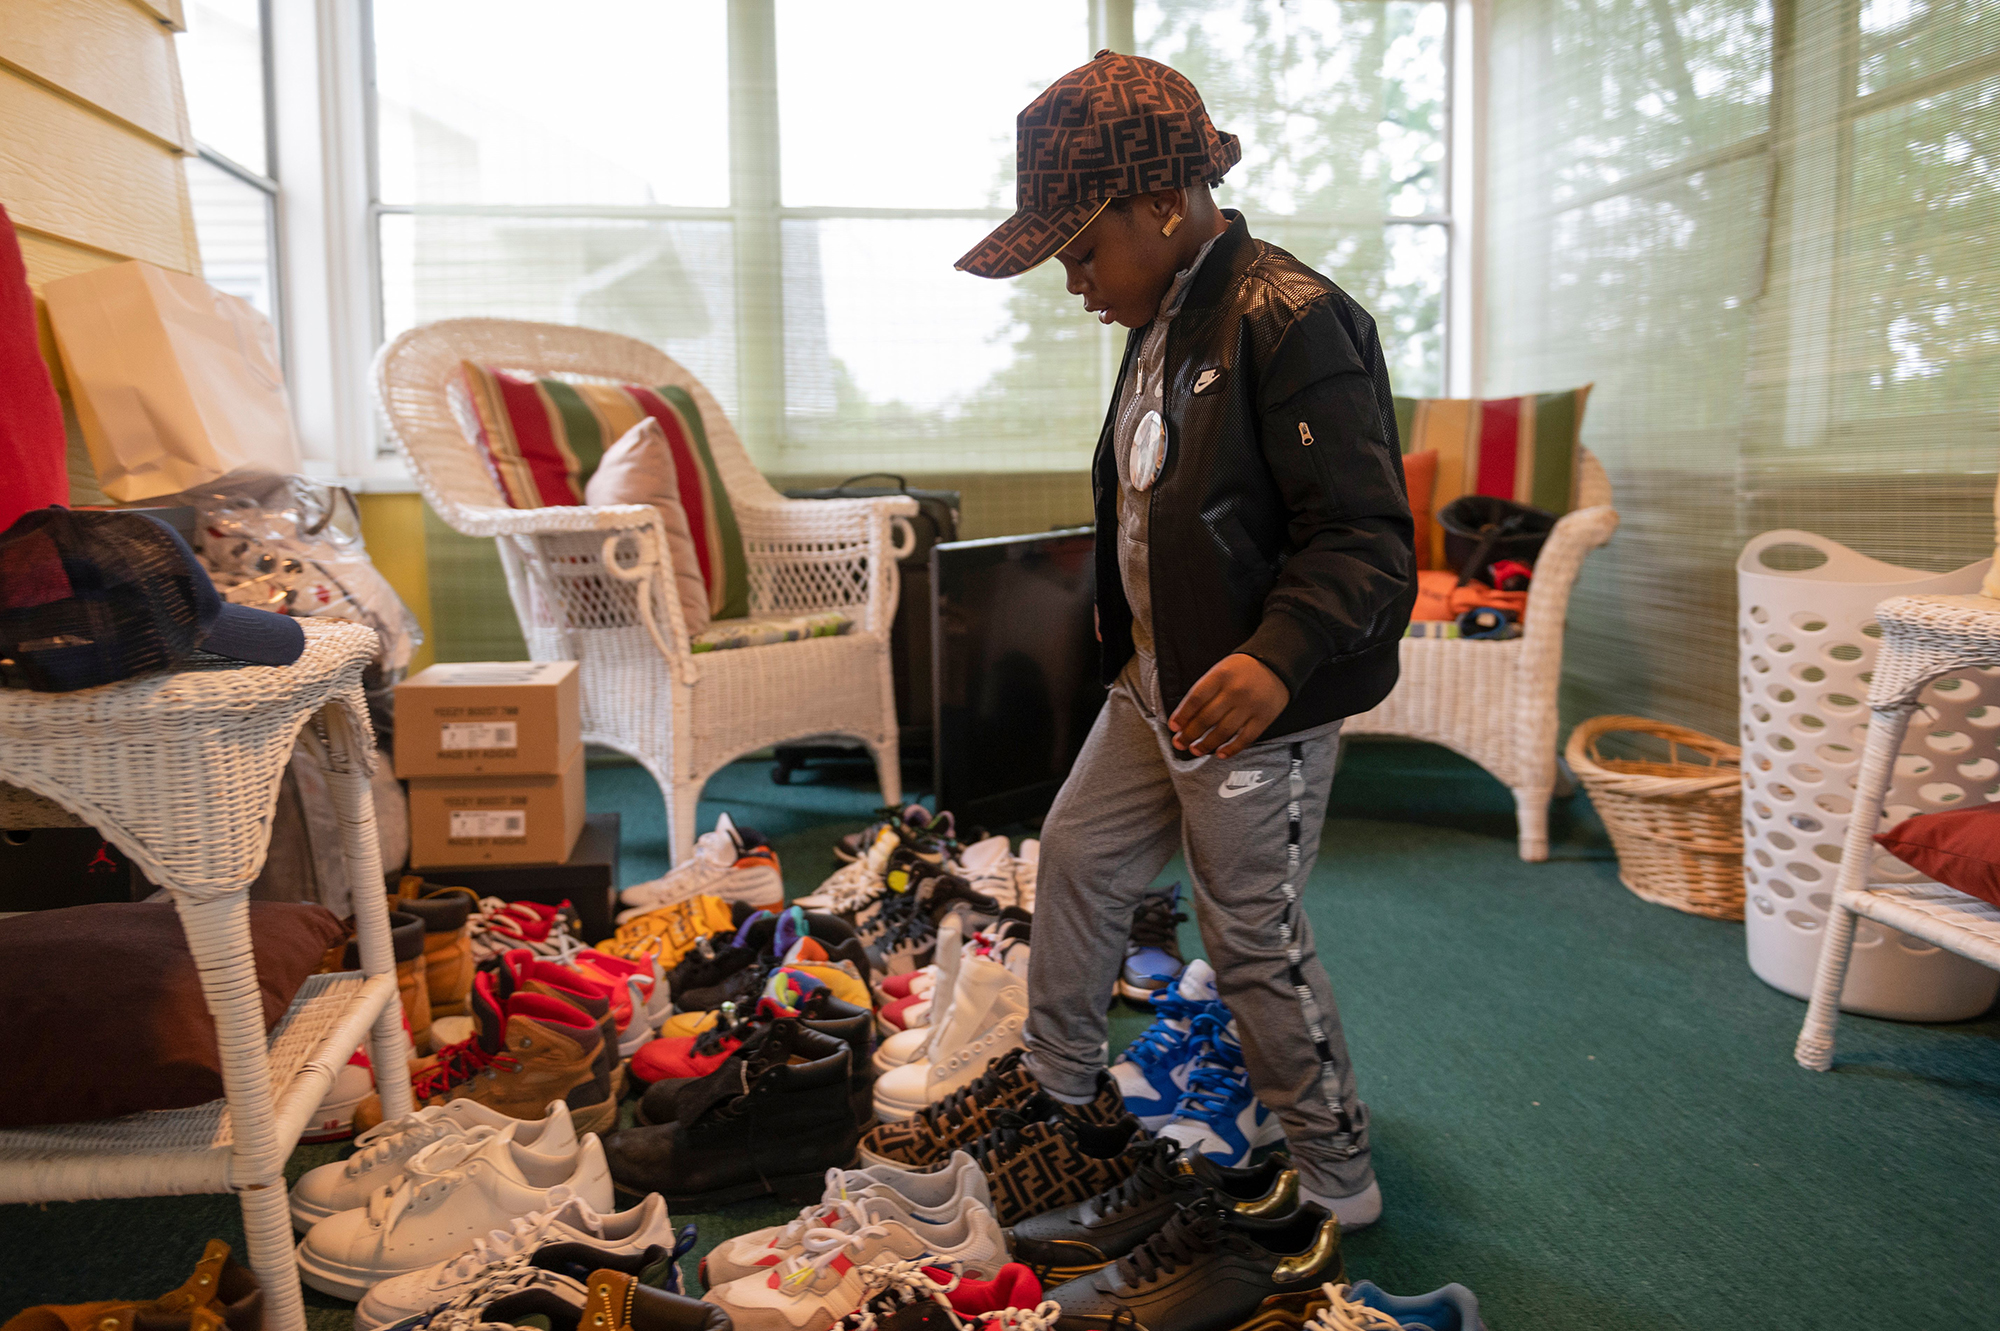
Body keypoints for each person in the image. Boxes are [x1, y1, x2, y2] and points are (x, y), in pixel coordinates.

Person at [953, 50, 1416, 1227]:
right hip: (1153, 684)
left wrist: (1274, 657)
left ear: (1163, 203)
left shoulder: (1292, 318)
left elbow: (1362, 538)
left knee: (1247, 930)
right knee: (1076, 852)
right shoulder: (1158, 313)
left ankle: (1334, 1174)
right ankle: (1059, 1093)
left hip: (1254, 697)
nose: (1072, 280)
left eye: (1079, 250)